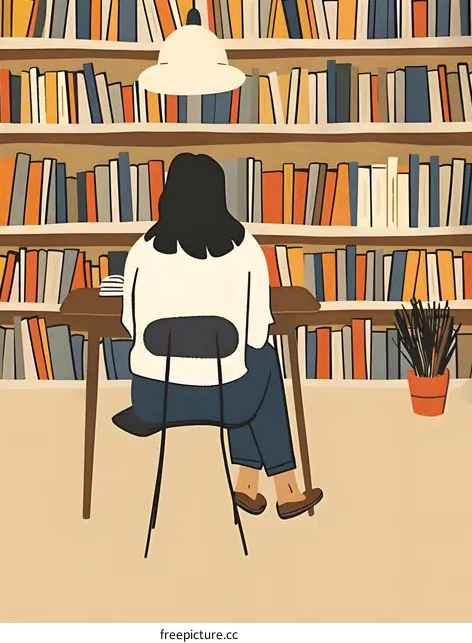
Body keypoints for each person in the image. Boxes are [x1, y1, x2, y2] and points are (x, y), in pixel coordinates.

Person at [121, 152, 323, 519]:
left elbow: (129, 326)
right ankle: (281, 486)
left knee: (254, 364)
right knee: (262, 358)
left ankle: (250, 484)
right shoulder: (244, 248)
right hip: (228, 402)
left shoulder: (141, 251)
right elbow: (258, 332)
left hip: (153, 399)